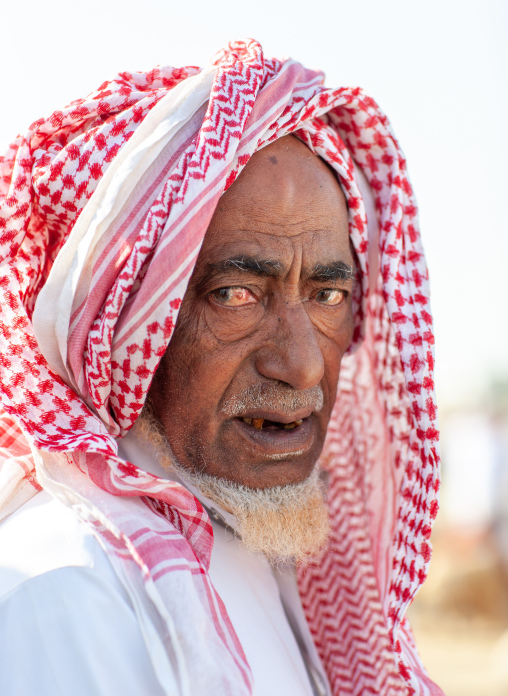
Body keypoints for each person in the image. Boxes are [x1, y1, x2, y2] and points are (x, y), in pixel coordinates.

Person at [0, 39, 443, 695]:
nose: (300, 365)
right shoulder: (68, 591)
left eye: (327, 296)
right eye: (237, 295)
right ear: (124, 329)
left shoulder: (266, 559)